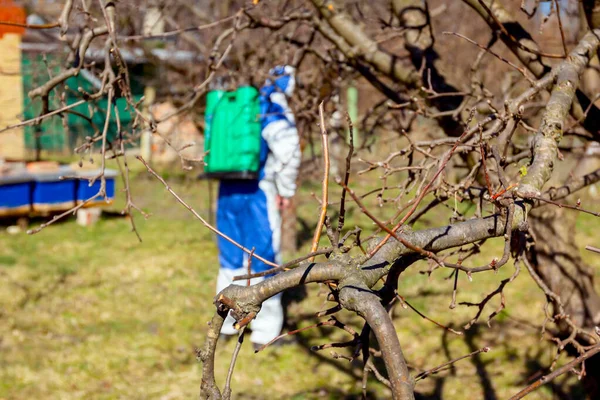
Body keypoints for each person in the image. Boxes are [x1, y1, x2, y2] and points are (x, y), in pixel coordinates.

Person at [215, 65, 301, 348]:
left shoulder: (237, 103)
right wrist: (286, 190)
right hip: (258, 193)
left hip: (226, 190)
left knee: (230, 258)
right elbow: (289, 149)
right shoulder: (270, 105)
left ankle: (225, 323)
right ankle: (264, 334)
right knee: (264, 263)